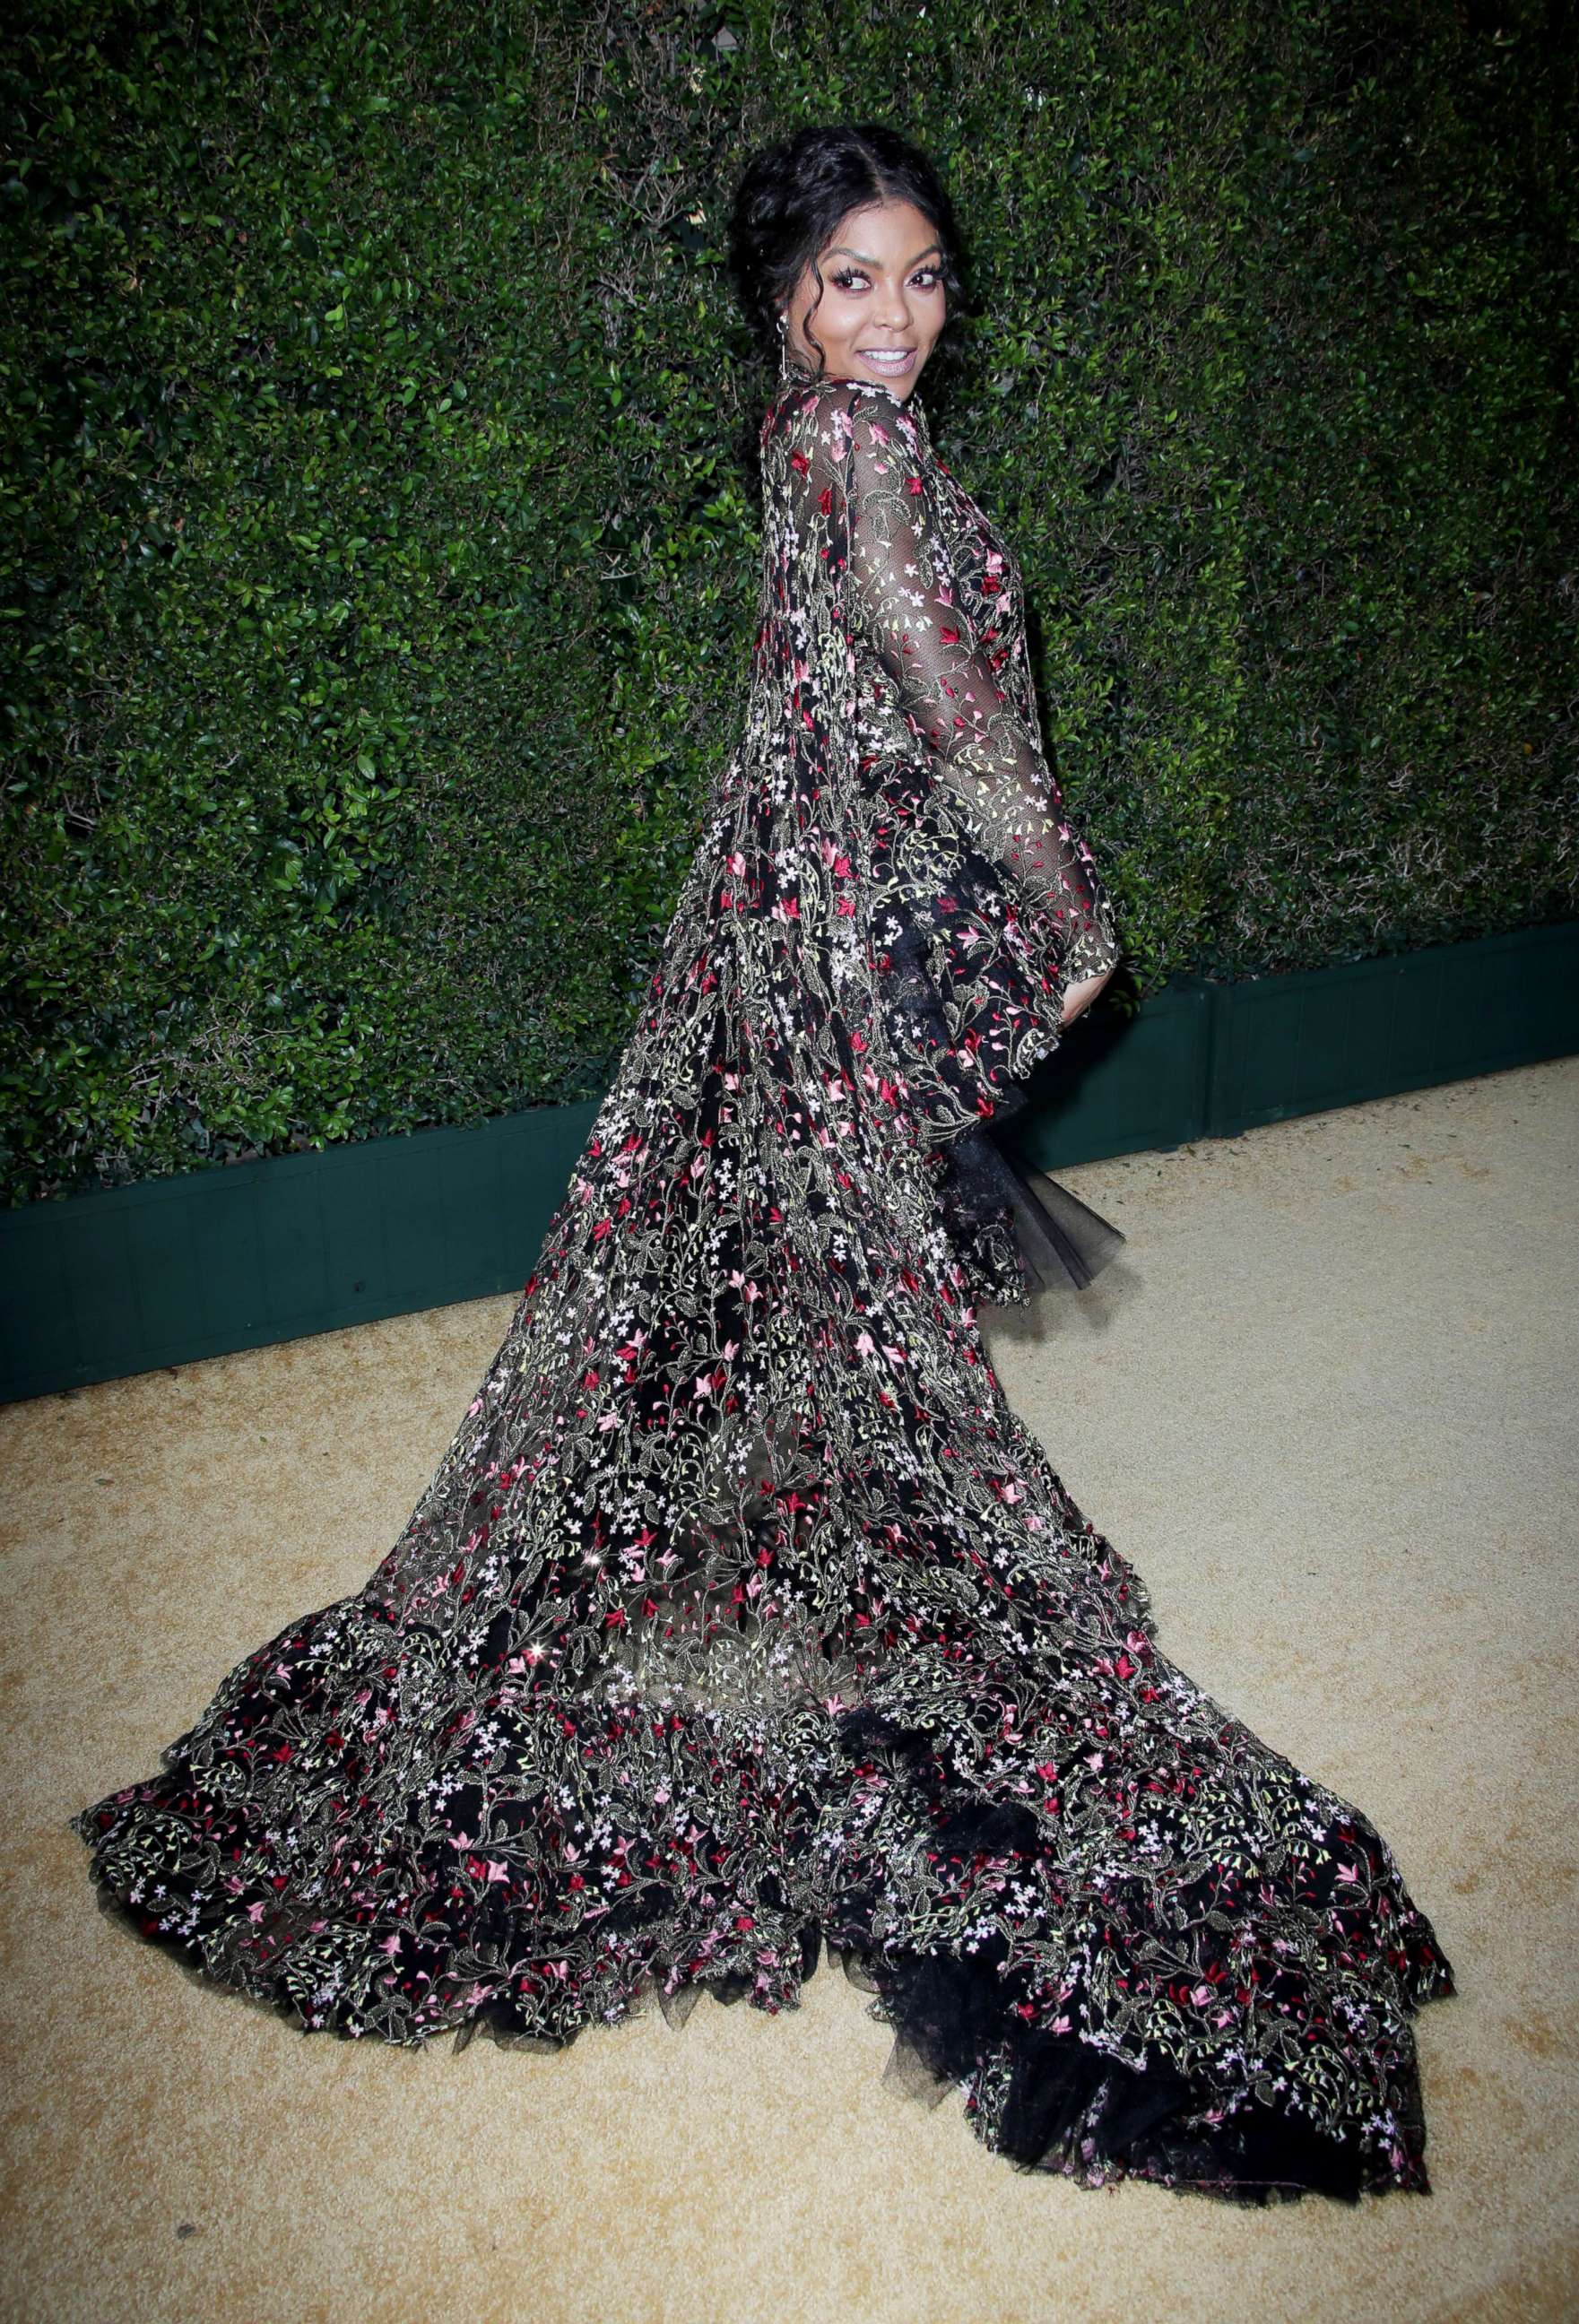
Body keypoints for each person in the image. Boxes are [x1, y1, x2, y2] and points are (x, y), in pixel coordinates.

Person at [75, 122, 1454, 2204]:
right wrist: (1059, 895)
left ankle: (784, 1530)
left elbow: (824, 698)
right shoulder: (863, 457)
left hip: (780, 920)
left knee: (758, 1280)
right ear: (779, 303)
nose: (890, 318)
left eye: (915, 277)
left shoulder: (797, 439)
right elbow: (951, 705)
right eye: (845, 283)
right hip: (819, 938)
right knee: (842, 1298)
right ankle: (822, 1541)